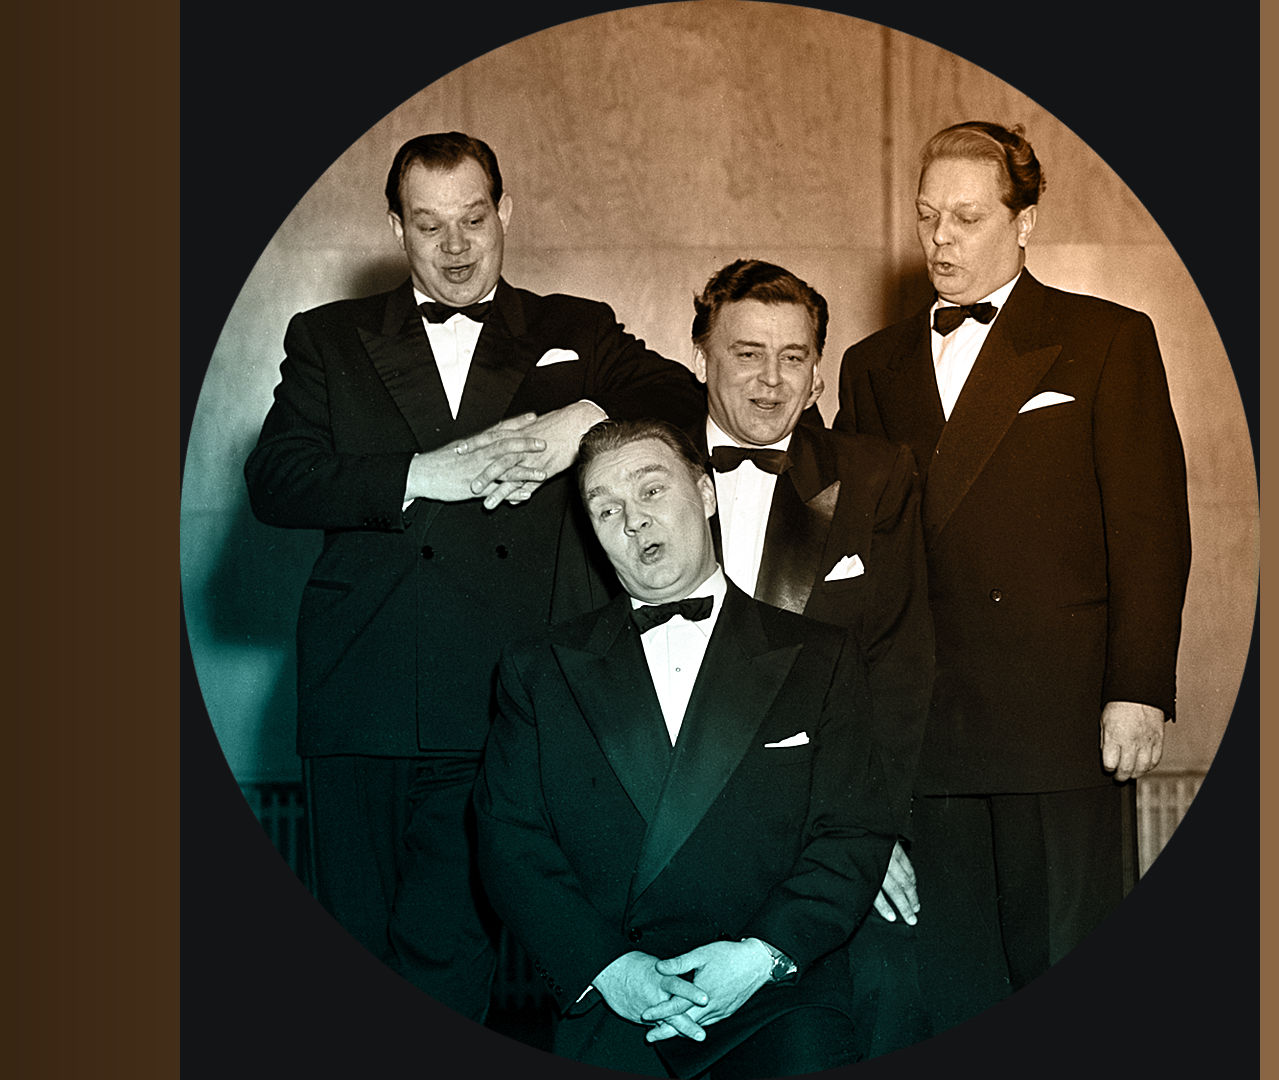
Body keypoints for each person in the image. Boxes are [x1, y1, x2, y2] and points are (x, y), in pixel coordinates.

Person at [243, 131, 705, 1019]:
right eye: (429, 226)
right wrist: (425, 472)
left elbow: (685, 397)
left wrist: (585, 415)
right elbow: (276, 479)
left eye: (473, 219)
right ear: (396, 228)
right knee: (351, 946)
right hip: (361, 691)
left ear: (505, 213)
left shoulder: (573, 328)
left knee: (449, 957)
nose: (455, 247)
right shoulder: (330, 335)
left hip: (494, 697)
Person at [834, 120, 1192, 1033]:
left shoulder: (1105, 339)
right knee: (950, 989)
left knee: (1066, 967)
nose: (940, 240)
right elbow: (855, 562)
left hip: (1059, 724)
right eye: (927, 217)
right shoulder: (872, 366)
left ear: (1024, 221)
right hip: (927, 729)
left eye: (967, 218)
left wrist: (1138, 689)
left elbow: (1150, 530)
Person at [474, 419, 894, 1078]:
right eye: (607, 509)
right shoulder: (539, 669)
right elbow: (510, 841)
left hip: (779, 995)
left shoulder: (822, 657)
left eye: (651, 490)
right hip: (618, 1002)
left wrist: (762, 955)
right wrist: (609, 969)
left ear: (704, 493)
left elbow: (854, 830)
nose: (634, 520)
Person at [687, 258, 934, 1056]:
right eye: (747, 353)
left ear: (818, 372)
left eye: (793, 357)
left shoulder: (875, 477)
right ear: (702, 356)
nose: (771, 380)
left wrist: (872, 836)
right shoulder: (646, 468)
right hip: (679, 831)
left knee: (889, 996)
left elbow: (897, 672)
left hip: (828, 828)